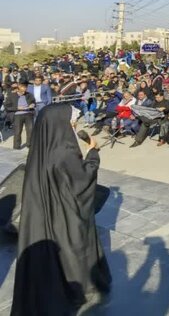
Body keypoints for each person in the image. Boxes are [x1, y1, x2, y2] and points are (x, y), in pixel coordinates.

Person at [11, 104, 111, 314]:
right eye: (72, 120)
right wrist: (93, 153)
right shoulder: (65, 151)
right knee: (71, 246)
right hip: (65, 213)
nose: (74, 124)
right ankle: (79, 286)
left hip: (46, 212)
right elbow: (82, 181)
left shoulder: (42, 149)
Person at [5, 81, 36, 149]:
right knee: (17, 131)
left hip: (28, 113)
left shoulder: (29, 95)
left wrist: (33, 104)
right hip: (17, 115)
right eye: (23, 87)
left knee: (30, 130)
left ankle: (29, 144)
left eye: (26, 87)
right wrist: (17, 108)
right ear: (19, 87)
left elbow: (33, 102)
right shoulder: (12, 96)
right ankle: (16, 146)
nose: (25, 89)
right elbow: (7, 106)